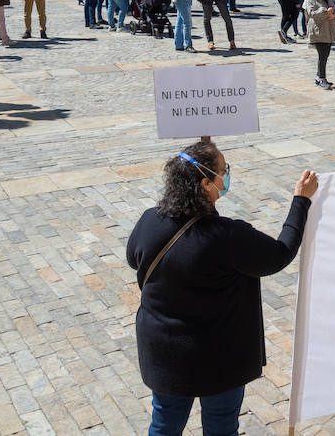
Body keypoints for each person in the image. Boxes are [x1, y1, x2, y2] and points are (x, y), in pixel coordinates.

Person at [126, 143, 318, 436]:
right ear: (206, 183)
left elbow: (132, 258)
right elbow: (279, 254)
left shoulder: (150, 219)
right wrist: (300, 200)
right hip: (218, 358)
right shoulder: (227, 236)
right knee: (221, 428)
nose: (226, 176)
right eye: (223, 171)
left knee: (165, 426)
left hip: (164, 352)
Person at [303, 0, 335, 89]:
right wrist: (326, 12)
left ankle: (319, 76)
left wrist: (333, 15)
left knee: (326, 55)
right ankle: (321, 78)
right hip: (318, 31)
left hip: (329, 31)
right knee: (322, 56)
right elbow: (312, 13)